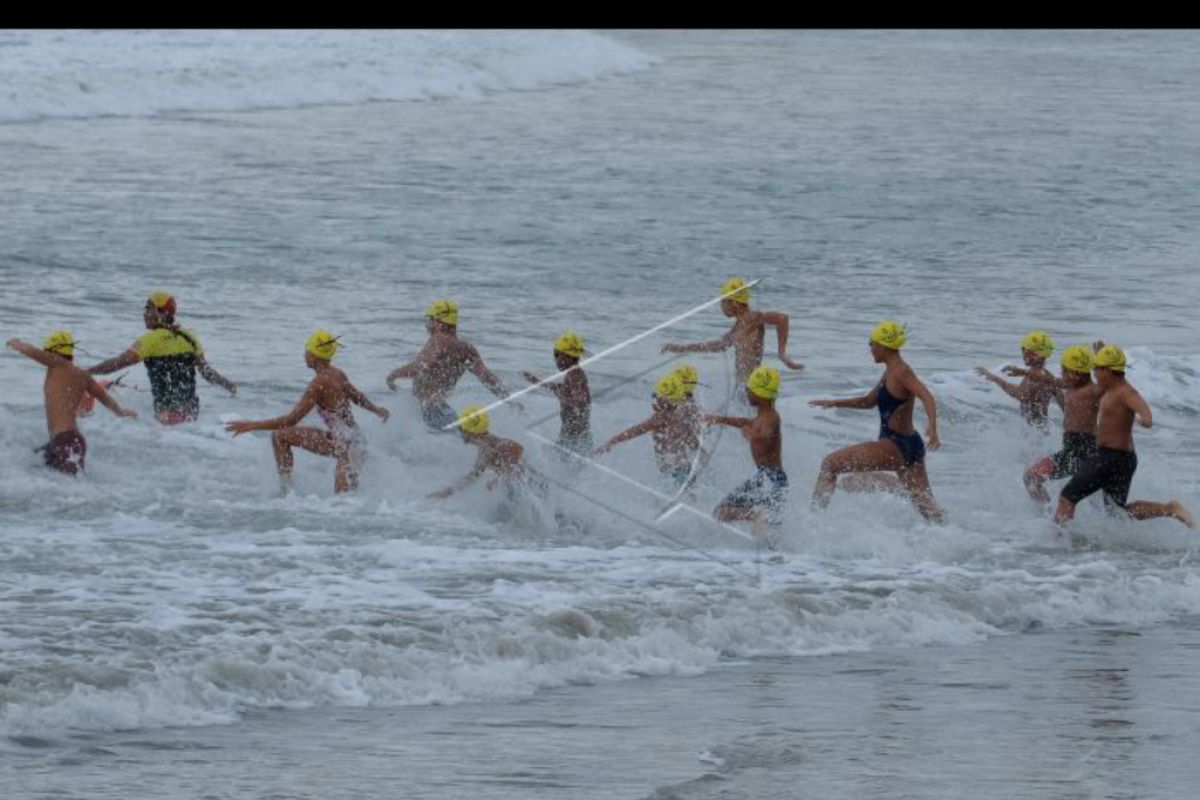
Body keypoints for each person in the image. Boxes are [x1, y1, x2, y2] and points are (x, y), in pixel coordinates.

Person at [809, 321, 944, 522]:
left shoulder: (901, 371)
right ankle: (955, 537)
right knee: (926, 507)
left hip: (895, 443)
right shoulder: (890, 370)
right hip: (911, 445)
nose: (870, 348)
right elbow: (868, 401)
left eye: (871, 343)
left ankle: (813, 522)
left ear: (884, 346)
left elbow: (927, 396)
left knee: (830, 464)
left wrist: (933, 428)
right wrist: (836, 402)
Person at [225, 331, 389, 493]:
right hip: (355, 440)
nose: (304, 354)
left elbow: (290, 420)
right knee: (345, 505)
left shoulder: (319, 384)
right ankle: (286, 492)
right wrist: (376, 410)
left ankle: (285, 491)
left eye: (306, 350)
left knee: (280, 437)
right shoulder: (337, 374)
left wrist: (251, 425)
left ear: (315, 356)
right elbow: (356, 396)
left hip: (345, 445)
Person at [1054, 344, 1194, 528]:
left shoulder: (1126, 392)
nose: (1094, 373)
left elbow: (1146, 414)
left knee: (1068, 497)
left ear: (1109, 371)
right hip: (1122, 459)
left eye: (1097, 369)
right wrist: (1101, 353)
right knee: (1117, 512)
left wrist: (1145, 420)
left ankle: (1059, 540)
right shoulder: (1109, 389)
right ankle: (1169, 509)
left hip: (1109, 457)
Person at [88, 291, 236, 424]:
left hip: (166, 418)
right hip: (192, 413)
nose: (144, 314)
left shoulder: (150, 340)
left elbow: (116, 364)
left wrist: (86, 372)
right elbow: (207, 373)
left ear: (162, 313)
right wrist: (228, 385)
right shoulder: (189, 337)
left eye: (148, 308)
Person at [7, 331, 137, 475]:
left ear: (55, 352)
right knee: (34, 469)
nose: (46, 356)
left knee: (63, 488)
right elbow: (103, 397)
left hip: (65, 441)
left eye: (48, 352)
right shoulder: (82, 375)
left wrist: (16, 343)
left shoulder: (57, 363)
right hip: (68, 440)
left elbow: (31, 351)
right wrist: (120, 411)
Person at [386, 300, 518, 431]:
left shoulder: (438, 339)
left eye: (429, 320)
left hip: (428, 411)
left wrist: (393, 375)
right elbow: (487, 378)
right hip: (443, 411)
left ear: (438, 322)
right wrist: (509, 400)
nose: (427, 326)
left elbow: (422, 366)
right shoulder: (467, 349)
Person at [661, 278, 805, 386]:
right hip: (743, 386)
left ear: (734, 302)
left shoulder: (753, 317)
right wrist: (681, 348)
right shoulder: (738, 326)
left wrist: (782, 353)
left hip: (753, 387)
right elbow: (717, 346)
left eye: (723, 301)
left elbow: (782, 319)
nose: (721, 306)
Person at [705, 365, 787, 538]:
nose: (747, 393)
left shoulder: (771, 417)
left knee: (721, 512)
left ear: (760, 394)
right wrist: (719, 419)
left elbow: (764, 434)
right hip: (771, 478)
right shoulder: (765, 414)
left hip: (768, 479)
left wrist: (751, 435)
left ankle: (752, 515)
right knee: (769, 531)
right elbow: (747, 422)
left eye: (750, 390)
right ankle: (776, 560)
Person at [1023, 344, 1103, 504]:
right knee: (1032, 477)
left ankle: (1053, 520)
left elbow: (1109, 387)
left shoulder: (1092, 391)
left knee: (1034, 478)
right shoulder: (1071, 386)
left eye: (1065, 370)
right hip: (1072, 450)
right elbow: (1051, 380)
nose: (1062, 373)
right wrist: (1023, 372)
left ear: (1077, 373)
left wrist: (1100, 360)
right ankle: (1048, 514)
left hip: (1084, 451)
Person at [594, 372, 704, 488]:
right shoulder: (680, 417)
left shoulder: (661, 417)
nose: (654, 399)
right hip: (684, 468)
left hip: (674, 471)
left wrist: (612, 441)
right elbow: (693, 442)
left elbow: (635, 431)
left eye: (657, 396)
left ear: (666, 399)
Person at [427, 405, 534, 500]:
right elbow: (474, 476)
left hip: (532, 486)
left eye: (460, 427)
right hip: (524, 487)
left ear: (467, 430)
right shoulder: (487, 446)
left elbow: (518, 452)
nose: (459, 432)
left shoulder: (492, 446)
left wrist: (498, 480)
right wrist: (449, 491)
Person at [522, 331, 592, 458]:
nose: (555, 359)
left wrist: (562, 398)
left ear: (568, 356)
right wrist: (539, 382)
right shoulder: (574, 374)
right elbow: (563, 390)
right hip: (575, 436)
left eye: (557, 355)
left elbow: (580, 400)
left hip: (574, 439)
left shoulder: (574, 375)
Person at [975, 330, 1058, 427]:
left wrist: (994, 378)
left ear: (1035, 354)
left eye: (1024, 349)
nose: (1022, 353)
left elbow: (1019, 394)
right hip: (1040, 429)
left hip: (1034, 433)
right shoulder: (1046, 375)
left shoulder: (1034, 378)